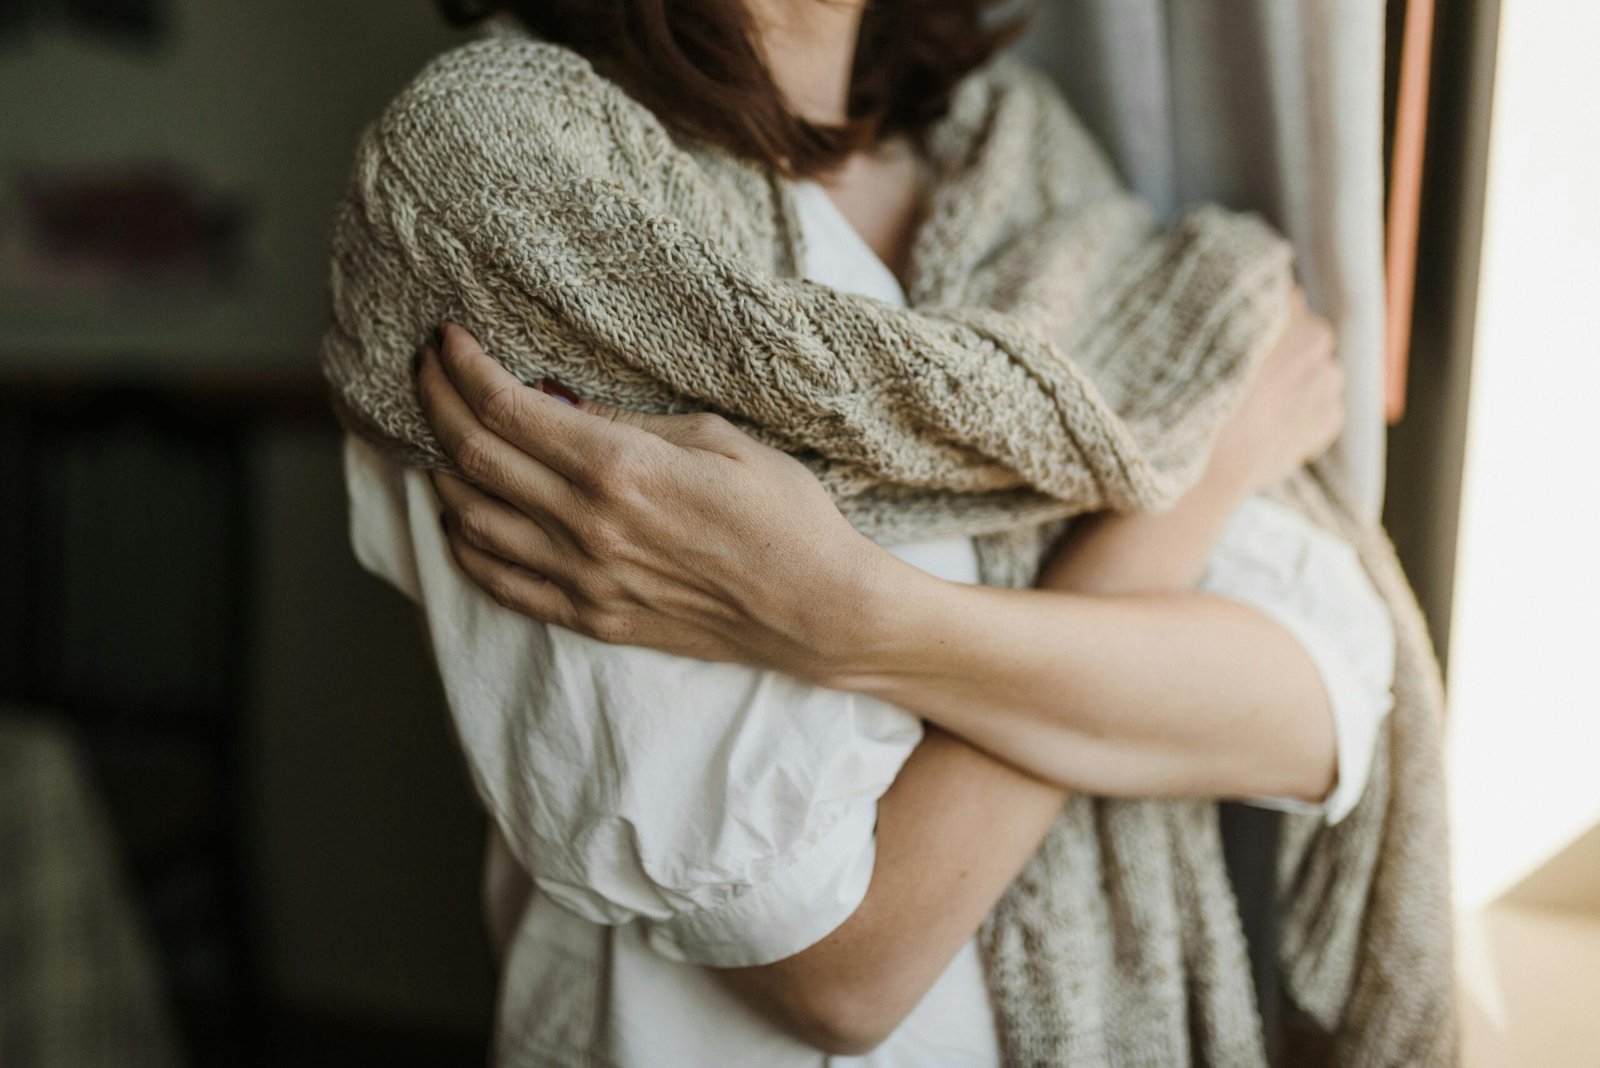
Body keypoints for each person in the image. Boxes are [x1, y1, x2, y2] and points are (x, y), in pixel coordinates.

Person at [334, 1, 1397, 1063]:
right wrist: (1180, 506)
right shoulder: (512, 185)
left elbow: (1319, 706)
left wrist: (850, 617)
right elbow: (838, 965)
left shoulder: (1021, 162)